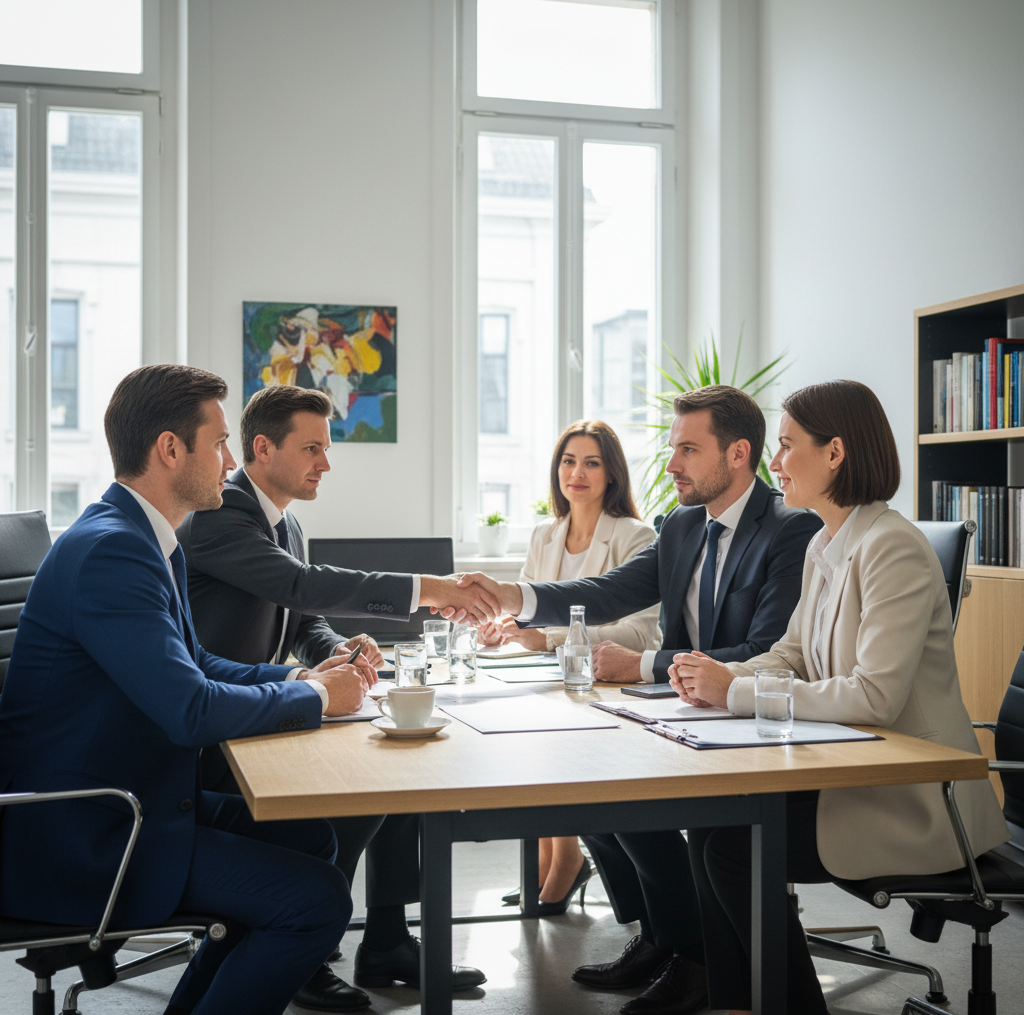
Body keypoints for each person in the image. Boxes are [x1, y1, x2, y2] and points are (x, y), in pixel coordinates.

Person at [0, 365, 379, 1015]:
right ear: (171, 450)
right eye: (221, 443)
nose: (232, 460)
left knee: (310, 838)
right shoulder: (112, 552)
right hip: (86, 831)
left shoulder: (150, 542)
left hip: (133, 801)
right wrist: (318, 700)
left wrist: (297, 676)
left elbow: (196, 662)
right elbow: (189, 708)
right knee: (316, 902)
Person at [457, 384, 822, 1015]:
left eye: (686, 449)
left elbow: (767, 651)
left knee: (694, 827)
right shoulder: (682, 525)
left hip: (751, 725)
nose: (671, 465)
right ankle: (676, 946)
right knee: (598, 786)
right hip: (683, 712)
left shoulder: (792, 529)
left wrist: (646, 663)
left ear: (738, 455)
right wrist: (511, 597)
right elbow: (607, 592)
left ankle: (696, 962)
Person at [673, 380, 1009, 1015]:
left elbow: (874, 696)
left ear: (835, 454)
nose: (775, 463)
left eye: (787, 446)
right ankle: (738, 1005)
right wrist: (717, 673)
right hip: (856, 772)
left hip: (915, 796)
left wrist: (738, 692)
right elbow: (794, 653)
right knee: (709, 820)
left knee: (736, 845)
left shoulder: (892, 548)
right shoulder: (824, 543)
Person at [177, 384, 487, 1009]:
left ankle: (387, 940)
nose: (326, 463)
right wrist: (427, 587)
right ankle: (306, 943)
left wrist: (339, 648)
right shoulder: (218, 515)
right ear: (261, 448)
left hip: (266, 706)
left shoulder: (284, 520)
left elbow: (299, 613)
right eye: (313, 447)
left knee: (399, 764)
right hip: (220, 725)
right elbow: (300, 583)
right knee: (353, 790)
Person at [484, 419, 661, 914]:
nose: (576, 473)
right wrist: (501, 628)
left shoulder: (634, 535)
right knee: (521, 733)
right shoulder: (545, 534)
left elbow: (639, 633)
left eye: (591, 462)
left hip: (607, 685)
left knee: (551, 743)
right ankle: (550, 855)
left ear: (612, 473)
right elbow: (522, 611)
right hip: (547, 680)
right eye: (568, 461)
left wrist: (547, 638)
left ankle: (566, 857)